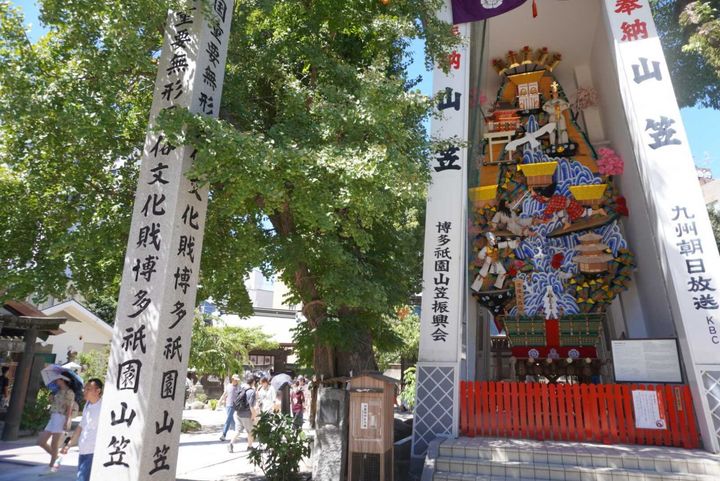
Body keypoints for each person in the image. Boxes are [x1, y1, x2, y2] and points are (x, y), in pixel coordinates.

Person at [62, 378, 103, 481]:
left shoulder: (103, 407)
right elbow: (81, 426)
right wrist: (69, 445)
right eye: (85, 388)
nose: (84, 391)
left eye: (88, 389)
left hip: (93, 451)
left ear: (98, 391)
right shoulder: (87, 405)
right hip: (83, 449)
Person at [37, 376, 75, 467]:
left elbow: (69, 408)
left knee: (54, 443)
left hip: (60, 417)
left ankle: (52, 463)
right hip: (53, 416)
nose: (56, 380)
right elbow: (54, 404)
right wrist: (51, 399)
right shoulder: (57, 391)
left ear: (63, 380)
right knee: (41, 442)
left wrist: (67, 421)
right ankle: (56, 457)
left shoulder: (69, 392)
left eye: (58, 379)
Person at [228, 376, 256, 453]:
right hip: (246, 415)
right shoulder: (252, 391)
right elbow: (251, 406)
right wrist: (253, 415)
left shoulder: (241, 389)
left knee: (237, 431)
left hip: (238, 413)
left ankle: (230, 444)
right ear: (253, 382)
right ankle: (250, 446)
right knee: (250, 431)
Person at [218, 374, 241, 441]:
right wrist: (220, 401)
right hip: (228, 405)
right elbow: (224, 394)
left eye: (237, 380)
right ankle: (235, 432)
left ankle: (224, 434)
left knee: (228, 419)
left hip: (235, 405)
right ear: (232, 379)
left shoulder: (239, 387)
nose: (236, 381)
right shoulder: (228, 386)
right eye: (235, 380)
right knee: (230, 419)